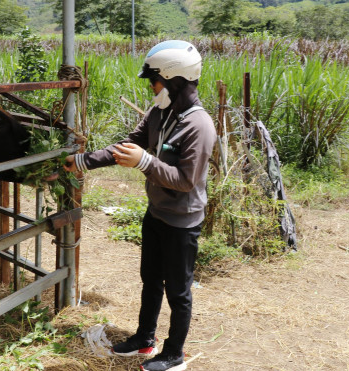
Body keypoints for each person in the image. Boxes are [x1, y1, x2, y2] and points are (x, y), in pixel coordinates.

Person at [64, 40, 216, 371]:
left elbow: (186, 180)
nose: (151, 87)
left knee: (178, 291)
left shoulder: (199, 125)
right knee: (151, 279)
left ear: (174, 79)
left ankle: (174, 353)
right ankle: (145, 339)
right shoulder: (160, 112)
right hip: (157, 214)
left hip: (182, 222)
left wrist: (145, 162)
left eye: (154, 80)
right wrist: (82, 161)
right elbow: (130, 144)